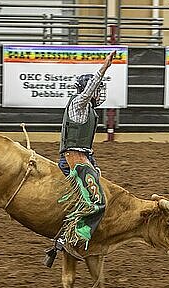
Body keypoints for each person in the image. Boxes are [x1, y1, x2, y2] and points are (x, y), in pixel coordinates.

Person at [44, 50, 116, 267]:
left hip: (83, 158)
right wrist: (104, 67)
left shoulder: (87, 110)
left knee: (96, 192)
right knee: (96, 201)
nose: (99, 93)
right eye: (97, 89)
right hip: (74, 159)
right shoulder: (78, 104)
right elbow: (88, 91)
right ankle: (71, 239)